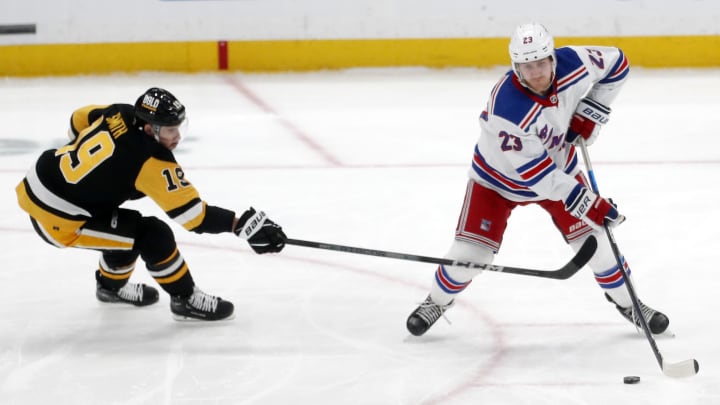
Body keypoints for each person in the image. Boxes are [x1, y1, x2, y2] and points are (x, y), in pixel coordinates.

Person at [406, 23, 669, 336]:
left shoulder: (574, 62)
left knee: (596, 243)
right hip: (497, 182)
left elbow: (617, 64)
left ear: (552, 58)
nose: (535, 73)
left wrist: (593, 109)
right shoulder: (508, 109)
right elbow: (540, 178)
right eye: (526, 66)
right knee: (471, 256)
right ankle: (436, 301)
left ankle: (631, 305)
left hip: (560, 169)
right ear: (516, 66)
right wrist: (588, 202)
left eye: (541, 63)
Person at [16, 87, 287, 321]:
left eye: (179, 127)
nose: (178, 136)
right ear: (148, 127)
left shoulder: (118, 112)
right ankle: (185, 300)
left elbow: (78, 119)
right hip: (58, 218)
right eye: (170, 130)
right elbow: (194, 217)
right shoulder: (151, 161)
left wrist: (90, 170)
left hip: (39, 178)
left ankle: (110, 288)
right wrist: (240, 225)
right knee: (153, 235)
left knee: (126, 230)